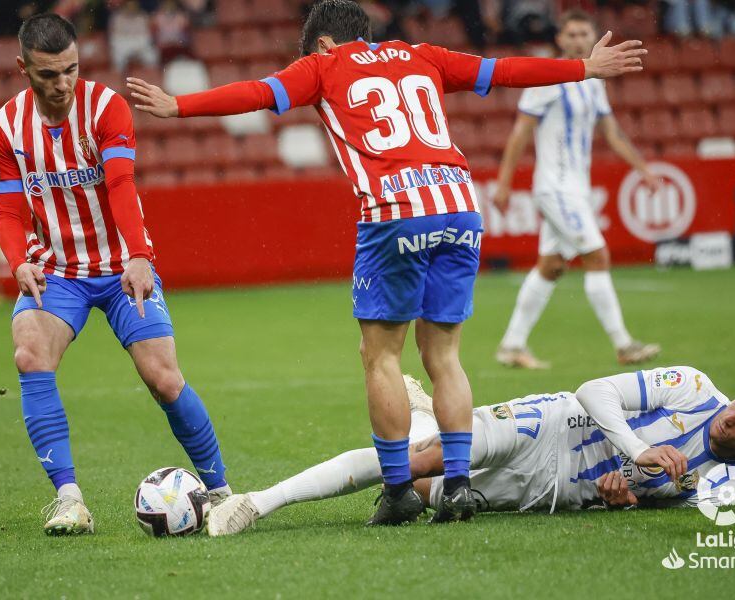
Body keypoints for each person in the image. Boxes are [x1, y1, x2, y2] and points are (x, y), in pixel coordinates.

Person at [127, 0, 645, 526]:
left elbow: (260, 93)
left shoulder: (324, 65)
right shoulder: (421, 54)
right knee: (443, 356)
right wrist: (583, 68)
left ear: (324, 42)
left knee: (381, 356)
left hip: (395, 213)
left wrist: (179, 106)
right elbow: (504, 70)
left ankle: (399, 490)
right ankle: (459, 485)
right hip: (460, 207)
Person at [0, 14, 229, 535]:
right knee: (29, 350)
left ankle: (223, 491)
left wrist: (139, 254)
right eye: (48, 74)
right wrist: (18, 261)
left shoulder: (105, 107)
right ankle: (70, 500)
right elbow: (8, 212)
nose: (62, 84)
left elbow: (121, 183)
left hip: (122, 266)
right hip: (56, 272)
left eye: (70, 70)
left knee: (163, 378)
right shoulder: (5, 127)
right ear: (22, 68)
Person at [206, 368, 735, 535]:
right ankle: (258, 503)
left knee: (421, 495)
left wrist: (620, 498)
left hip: (558, 490)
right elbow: (594, 391)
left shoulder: (718, 491)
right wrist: (639, 447)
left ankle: (421, 414)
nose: (734, 417)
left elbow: (639, 502)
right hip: (551, 425)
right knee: (417, 463)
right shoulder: (697, 388)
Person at [493, 9, 660, 370]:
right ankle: (624, 344)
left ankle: (511, 346)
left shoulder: (595, 81)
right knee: (597, 255)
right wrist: (504, 183)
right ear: (560, 40)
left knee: (551, 266)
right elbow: (521, 132)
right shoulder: (547, 80)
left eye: (584, 34)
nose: (578, 40)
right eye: (571, 34)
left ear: (594, 37)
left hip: (576, 189)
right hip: (555, 188)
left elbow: (611, 132)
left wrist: (643, 169)